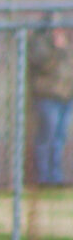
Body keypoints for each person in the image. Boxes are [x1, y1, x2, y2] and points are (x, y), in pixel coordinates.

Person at [28, 13, 73, 187]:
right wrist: (57, 49)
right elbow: (44, 65)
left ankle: (56, 177)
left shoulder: (65, 44)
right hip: (48, 97)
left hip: (66, 97)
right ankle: (43, 178)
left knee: (59, 139)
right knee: (47, 137)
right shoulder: (40, 44)